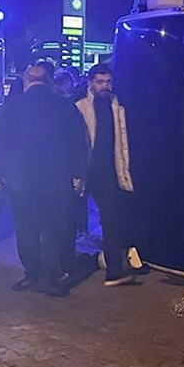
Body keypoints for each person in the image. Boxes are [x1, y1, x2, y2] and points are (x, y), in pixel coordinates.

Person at [0, 64, 87, 296]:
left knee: (26, 227)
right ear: (49, 81)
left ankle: (31, 273)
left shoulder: (13, 107)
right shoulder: (64, 107)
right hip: (56, 179)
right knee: (53, 227)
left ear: (26, 80)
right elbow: (77, 144)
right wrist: (78, 174)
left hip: (21, 179)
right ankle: (51, 275)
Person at [75, 63, 141, 287]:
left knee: (111, 221)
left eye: (108, 82)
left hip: (108, 173)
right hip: (83, 171)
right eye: (100, 82)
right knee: (70, 221)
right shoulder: (79, 106)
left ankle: (114, 270)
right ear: (90, 83)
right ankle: (65, 267)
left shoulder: (117, 105)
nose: (105, 86)